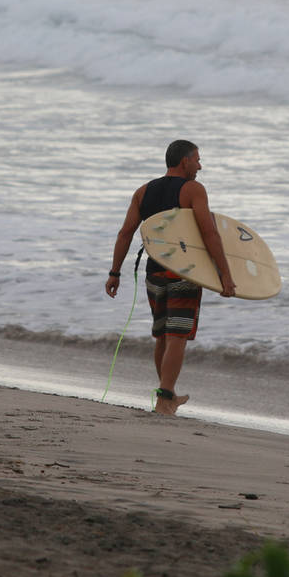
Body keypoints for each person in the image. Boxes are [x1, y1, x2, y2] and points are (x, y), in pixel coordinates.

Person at [106, 140, 236, 415]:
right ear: (184, 161)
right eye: (197, 160)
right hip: (184, 272)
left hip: (154, 271)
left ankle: (167, 394)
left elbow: (125, 233)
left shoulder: (143, 191)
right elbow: (209, 233)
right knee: (176, 336)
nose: (200, 166)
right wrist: (225, 273)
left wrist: (114, 272)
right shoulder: (193, 189)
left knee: (162, 336)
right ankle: (165, 401)